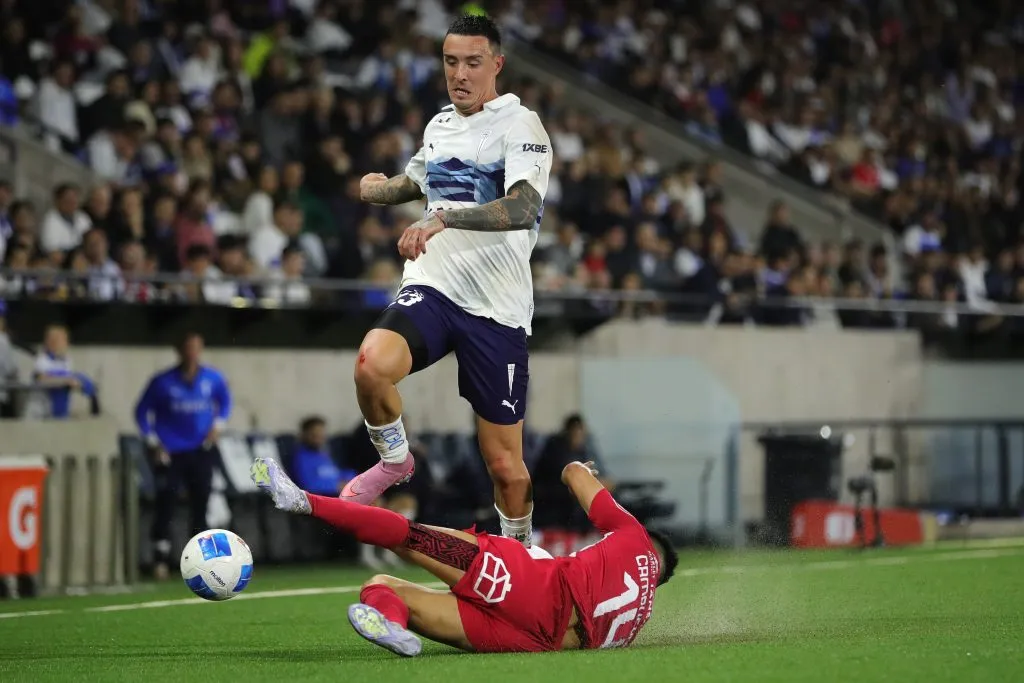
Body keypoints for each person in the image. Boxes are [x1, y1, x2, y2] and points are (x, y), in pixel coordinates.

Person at [345, 14, 554, 547]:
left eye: (472, 63)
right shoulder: (439, 125)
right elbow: (416, 182)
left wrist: (444, 219)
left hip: (497, 308)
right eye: (450, 62)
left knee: (505, 466)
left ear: (497, 65)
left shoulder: (520, 124)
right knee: (371, 365)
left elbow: (524, 208)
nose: (459, 74)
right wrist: (380, 190)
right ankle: (395, 461)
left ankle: (521, 551)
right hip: (436, 287)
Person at [251, 456, 677, 656]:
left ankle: (302, 501)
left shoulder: (634, 535)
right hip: (534, 643)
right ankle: (394, 628)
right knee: (379, 587)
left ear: (651, 546)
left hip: (534, 589)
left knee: (410, 537)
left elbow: (572, 474)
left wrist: (581, 468)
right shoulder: (638, 618)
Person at [133, 331, 232, 579]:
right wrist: (153, 441)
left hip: (202, 450)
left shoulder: (212, 378)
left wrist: (218, 426)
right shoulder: (163, 381)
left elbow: (226, 402)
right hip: (171, 452)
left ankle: (201, 562)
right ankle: (160, 558)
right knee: (166, 502)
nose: (192, 353)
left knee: (202, 503)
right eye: (188, 347)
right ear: (179, 350)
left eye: (196, 347)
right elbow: (141, 412)